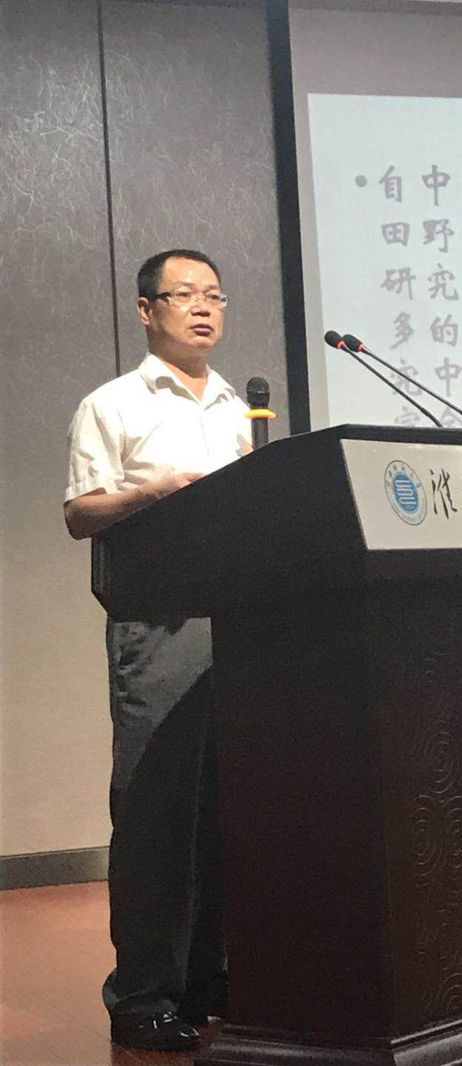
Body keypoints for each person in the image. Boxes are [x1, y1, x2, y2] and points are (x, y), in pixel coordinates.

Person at [64, 250, 251, 1051]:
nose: (203, 308)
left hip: (239, 621)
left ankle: (207, 979)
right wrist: (152, 492)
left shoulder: (239, 407)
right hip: (158, 624)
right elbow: (79, 513)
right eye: (185, 295)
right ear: (147, 310)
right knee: (156, 813)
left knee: (224, 811)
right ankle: (142, 996)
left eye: (214, 296)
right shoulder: (112, 404)